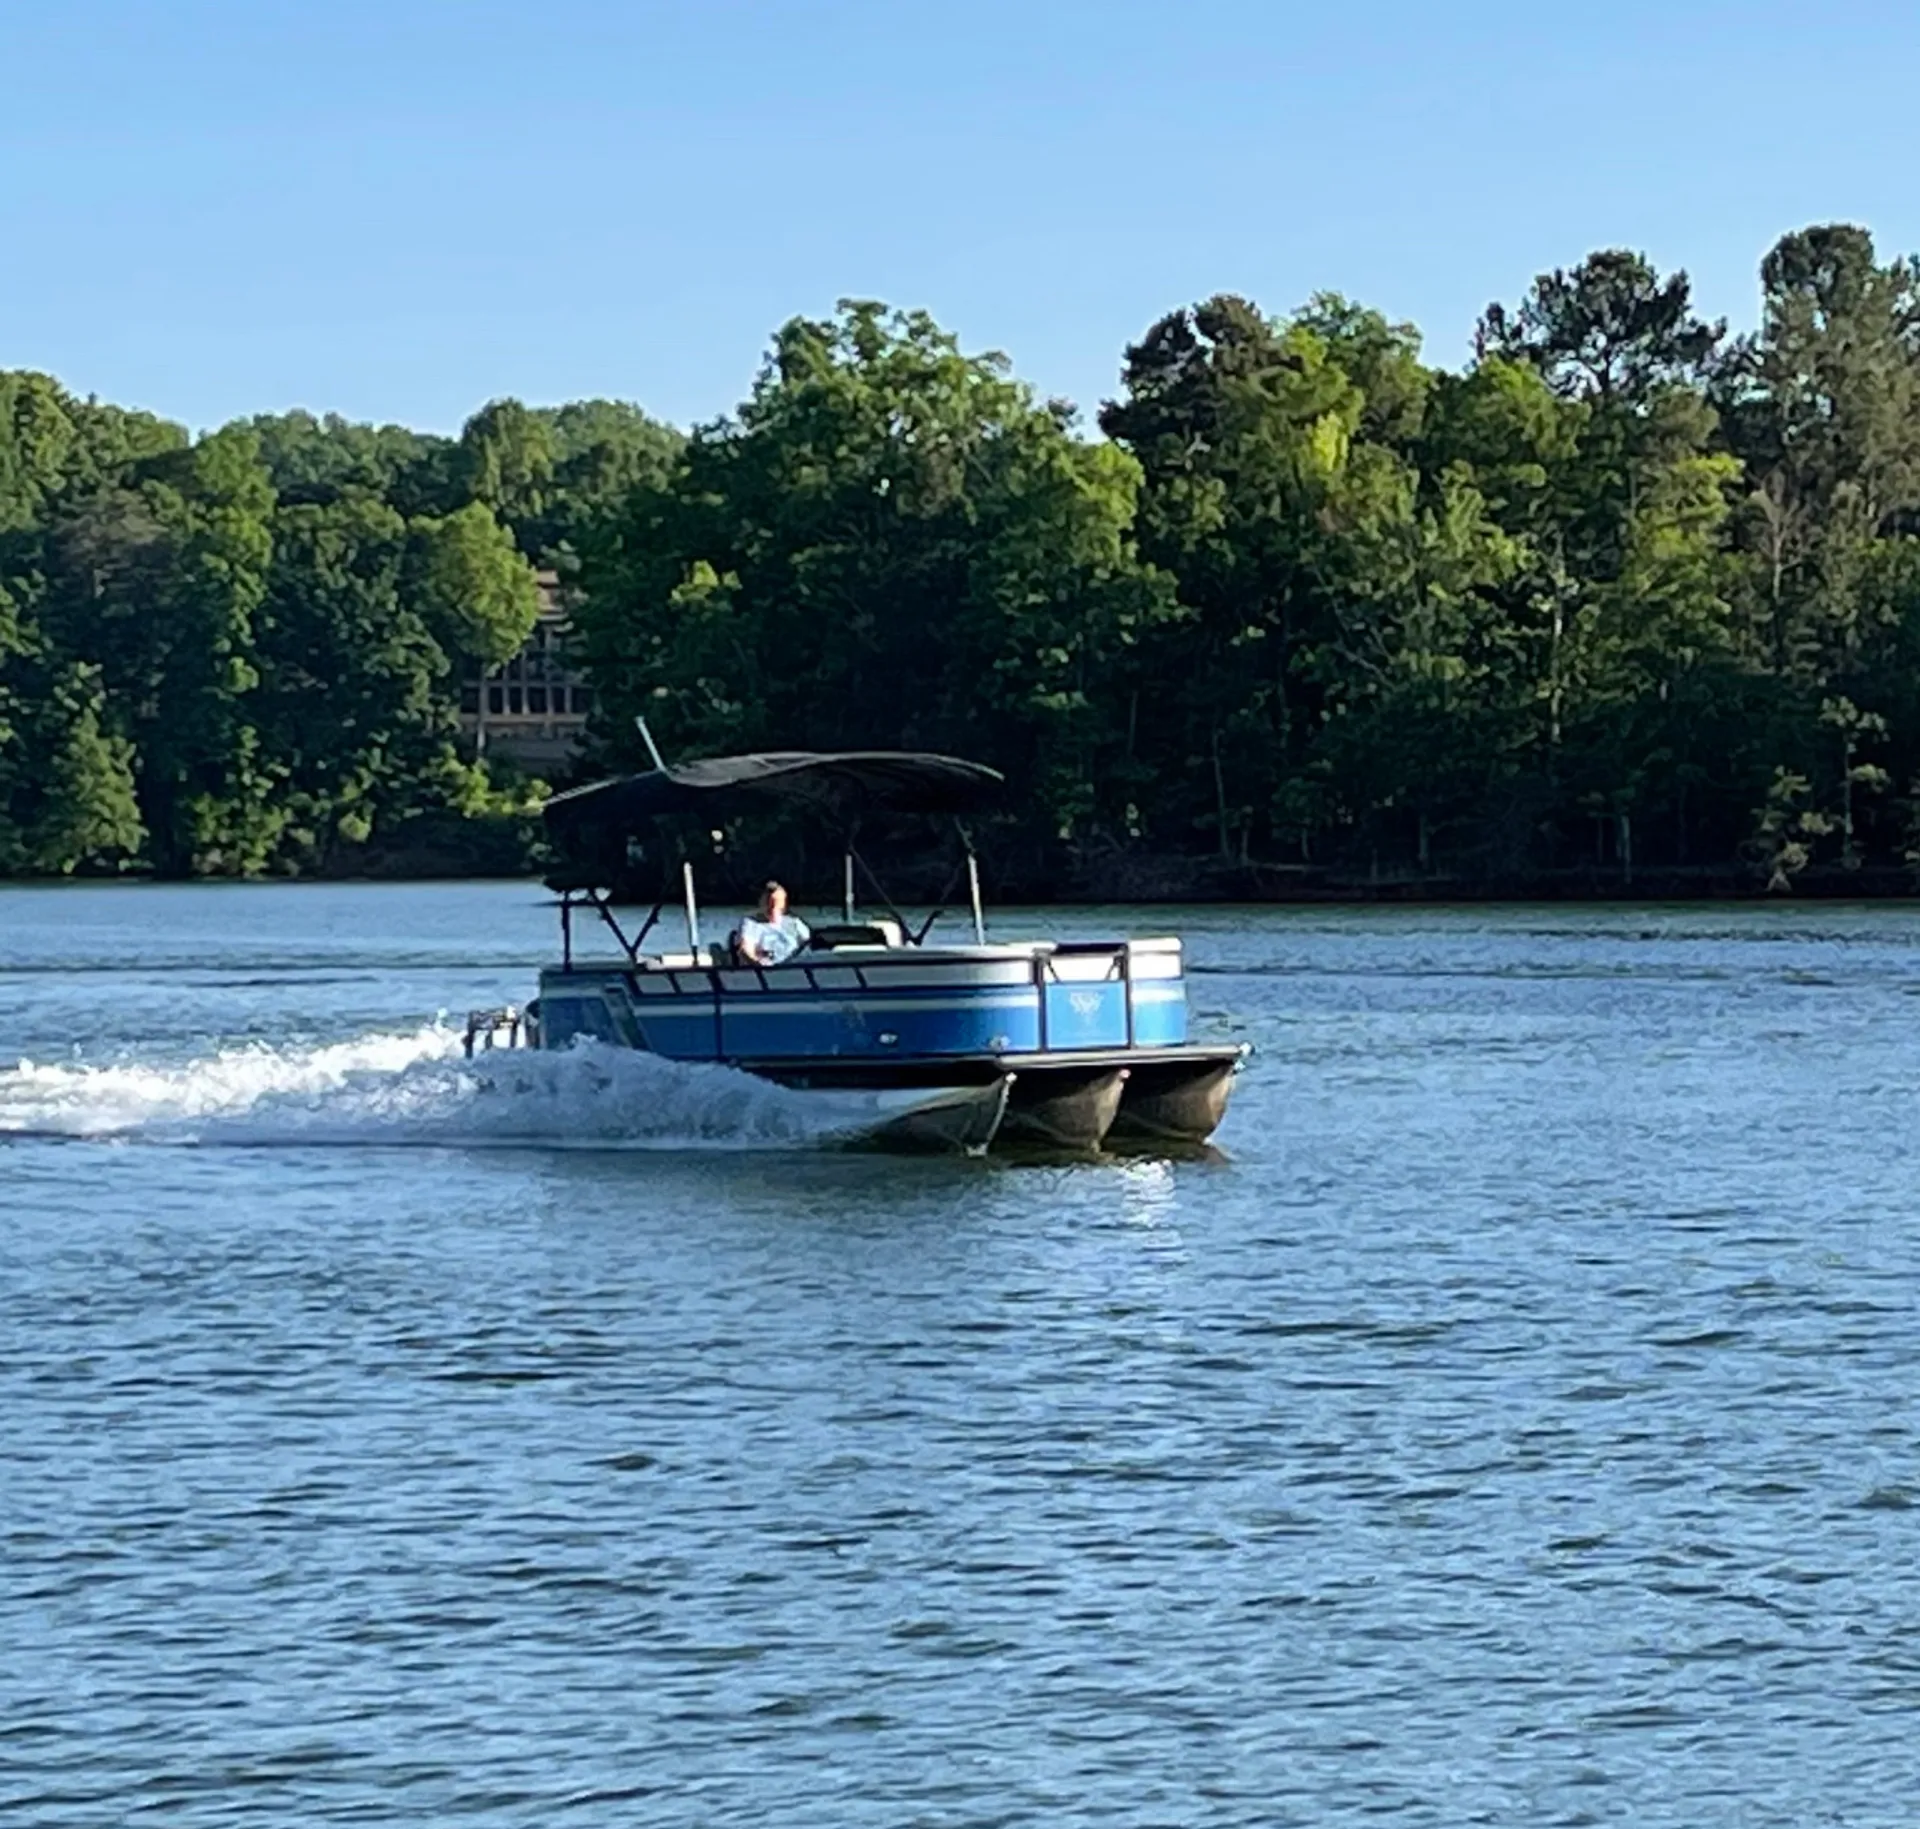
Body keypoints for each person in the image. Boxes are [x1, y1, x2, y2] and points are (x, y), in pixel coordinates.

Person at [736, 880, 810, 965]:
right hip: (762, 971)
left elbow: (808, 947)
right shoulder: (750, 924)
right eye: (768, 902)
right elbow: (746, 950)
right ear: (761, 902)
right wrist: (758, 964)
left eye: (775, 902)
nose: (772, 907)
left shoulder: (795, 924)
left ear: (783, 903)